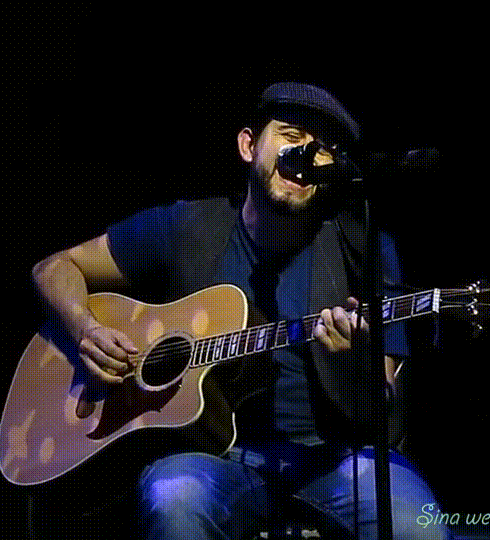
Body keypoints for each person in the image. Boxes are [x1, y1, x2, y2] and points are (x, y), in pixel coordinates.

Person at [33, 82, 450, 540]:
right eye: (292, 136)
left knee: (418, 528)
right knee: (174, 500)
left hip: (335, 459)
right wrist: (85, 329)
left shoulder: (362, 247)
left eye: (324, 149)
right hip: (212, 458)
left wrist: (355, 365)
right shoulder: (186, 226)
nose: (308, 154)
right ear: (249, 146)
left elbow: (382, 407)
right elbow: (55, 267)